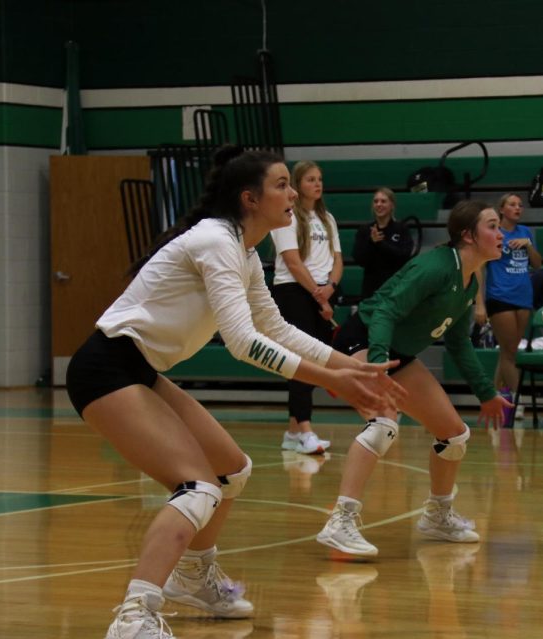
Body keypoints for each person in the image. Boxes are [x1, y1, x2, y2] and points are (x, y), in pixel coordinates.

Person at [65, 147, 404, 639]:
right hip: (105, 369)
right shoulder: (215, 242)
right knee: (197, 486)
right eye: (282, 185)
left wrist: (343, 363)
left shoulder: (242, 249)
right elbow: (244, 344)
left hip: (140, 369)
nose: (292, 194)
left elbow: (276, 328)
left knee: (230, 470)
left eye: (292, 184)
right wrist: (331, 380)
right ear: (250, 198)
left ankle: (193, 576)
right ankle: (133, 617)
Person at [315, 200, 513, 557]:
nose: (500, 234)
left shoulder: (466, 283)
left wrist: (486, 393)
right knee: (384, 422)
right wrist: (377, 365)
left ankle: (437, 516)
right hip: (363, 340)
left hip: (397, 354)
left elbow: (457, 342)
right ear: (468, 235)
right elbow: (385, 311)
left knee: (453, 435)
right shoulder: (435, 267)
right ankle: (340, 522)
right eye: (493, 226)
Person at [270, 161, 342, 455]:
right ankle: (305, 430)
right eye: (310, 179)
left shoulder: (327, 218)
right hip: (295, 291)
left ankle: (292, 431)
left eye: (320, 179)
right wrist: (319, 296)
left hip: (323, 291)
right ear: (297, 185)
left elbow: (338, 259)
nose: (317, 184)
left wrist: (331, 288)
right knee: (305, 362)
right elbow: (292, 261)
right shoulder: (286, 218)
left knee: (316, 361)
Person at [474, 193, 542, 423]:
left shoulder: (525, 232)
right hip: (500, 296)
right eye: (512, 204)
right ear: (501, 209)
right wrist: (479, 303)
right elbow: (479, 268)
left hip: (523, 297)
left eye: (520, 205)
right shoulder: (494, 233)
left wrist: (529, 245)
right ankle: (518, 401)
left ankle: (492, 401)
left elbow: (538, 264)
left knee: (507, 353)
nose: (518, 208)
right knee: (511, 353)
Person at [352, 187, 414, 300]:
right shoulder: (365, 230)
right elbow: (359, 259)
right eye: (376, 201)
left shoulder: (401, 229)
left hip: (395, 288)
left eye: (383, 201)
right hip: (371, 290)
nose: (379, 204)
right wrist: (371, 242)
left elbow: (404, 256)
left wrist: (380, 244)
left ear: (392, 205)